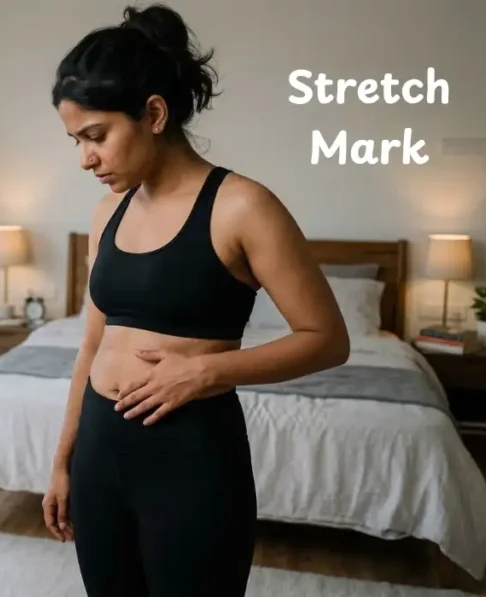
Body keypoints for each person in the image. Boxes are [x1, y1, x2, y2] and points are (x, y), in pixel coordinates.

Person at [42, 5, 351, 596]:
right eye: (76, 140)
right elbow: (90, 346)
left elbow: (327, 340)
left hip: (190, 462)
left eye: (97, 136)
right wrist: (62, 462)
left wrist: (206, 371)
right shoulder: (107, 212)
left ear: (154, 113)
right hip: (99, 456)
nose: (85, 158)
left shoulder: (243, 206)